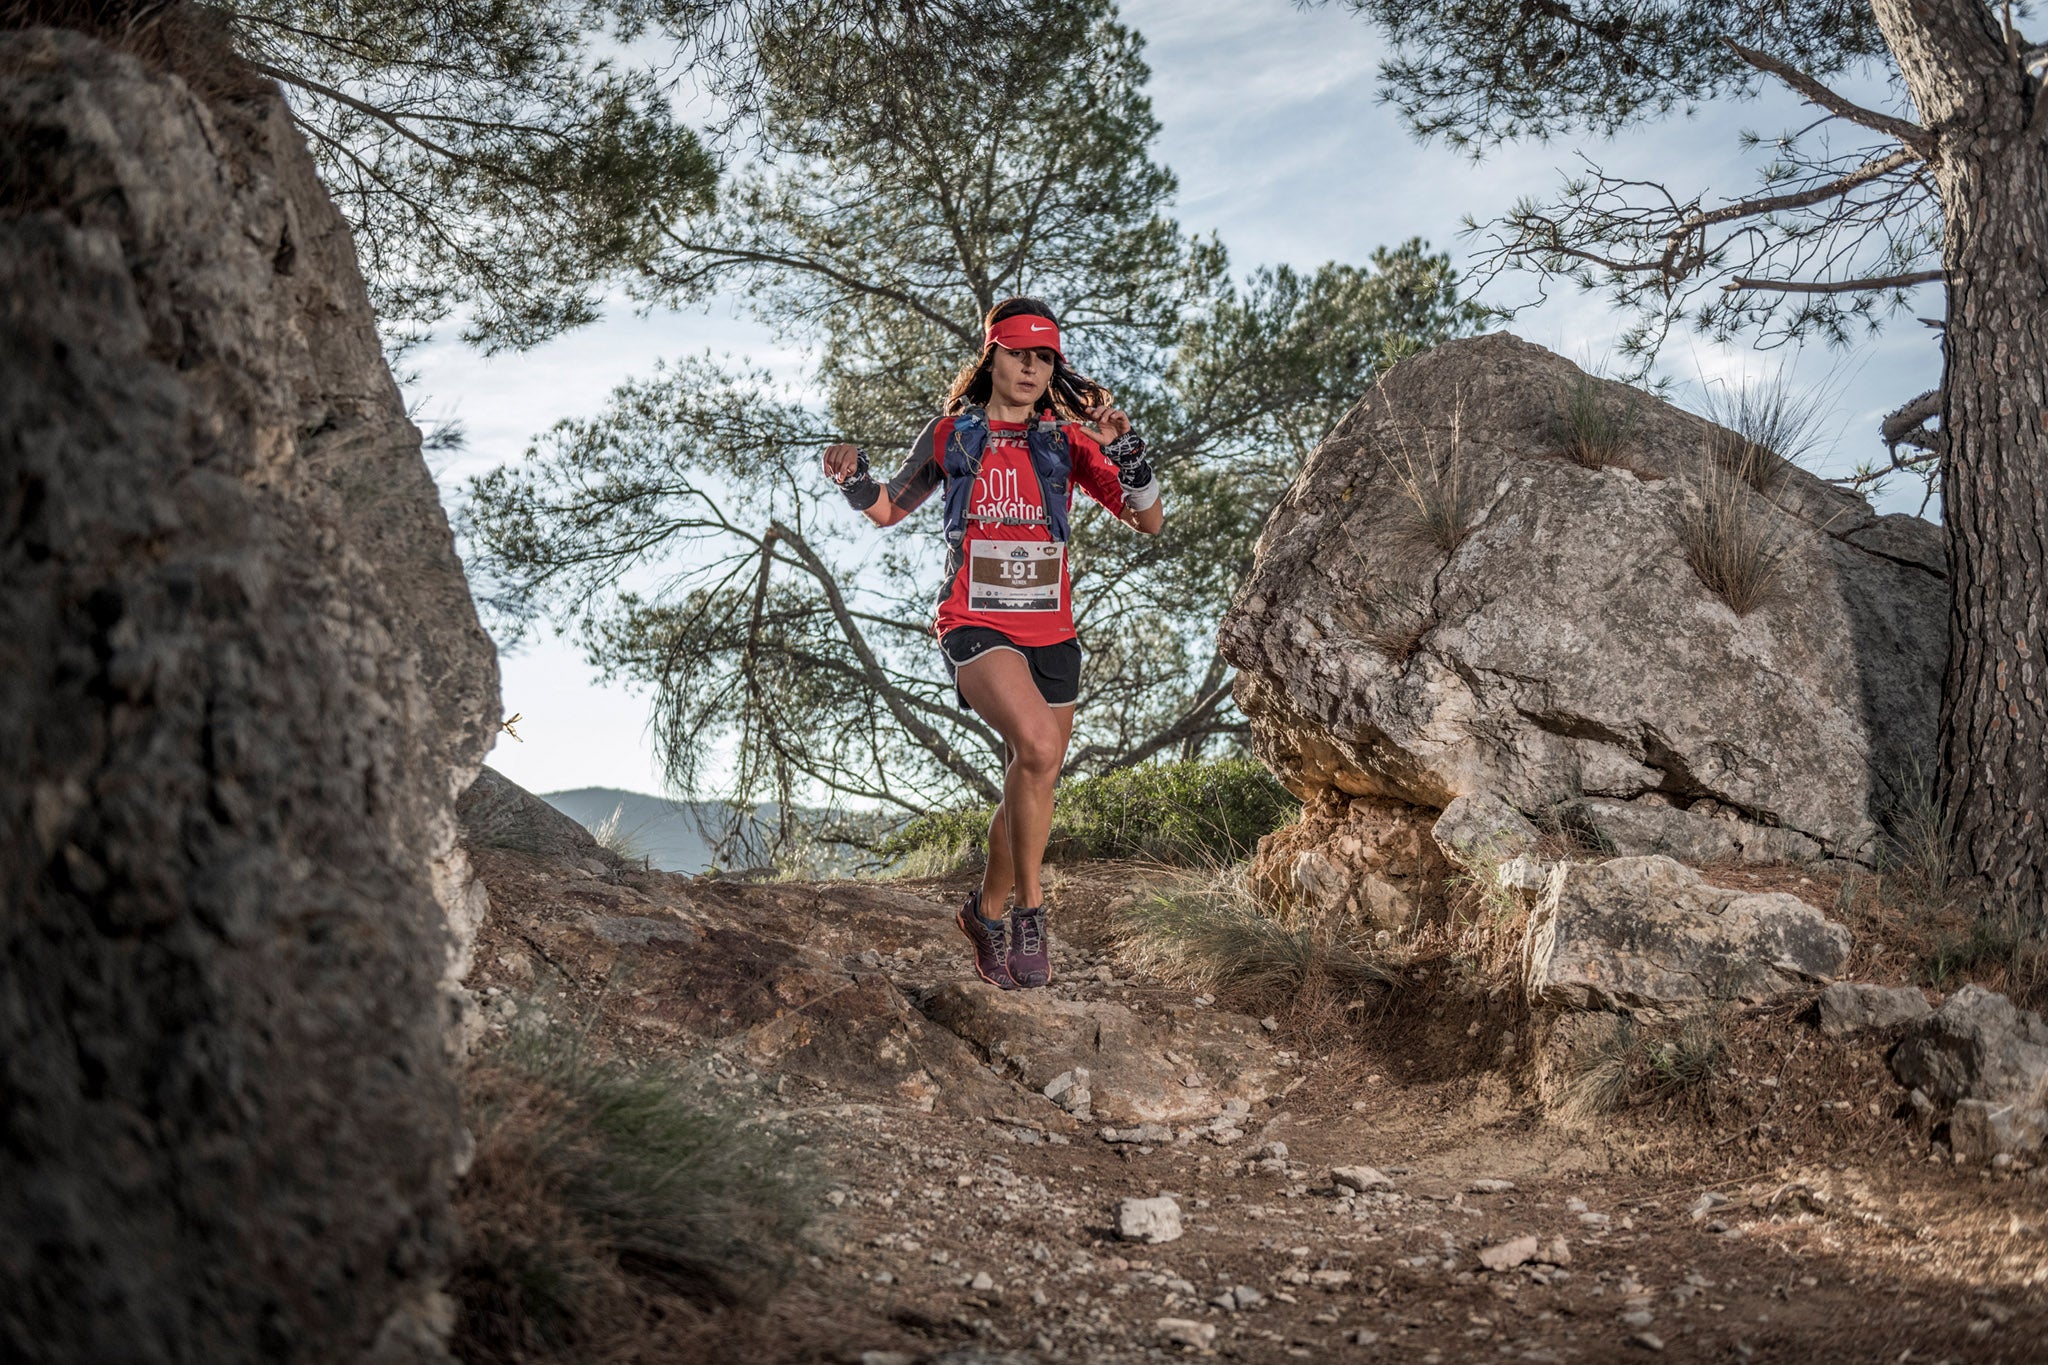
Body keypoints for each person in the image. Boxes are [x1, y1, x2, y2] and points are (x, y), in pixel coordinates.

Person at [822, 298, 1164, 989]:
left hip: (1053, 632)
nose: (1032, 368)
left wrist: (1126, 448)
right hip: (974, 622)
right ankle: (1031, 914)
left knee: (1030, 781)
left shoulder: (1067, 443)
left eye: (1044, 359)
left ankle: (983, 910)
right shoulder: (953, 436)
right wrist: (855, 476)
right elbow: (888, 507)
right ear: (993, 359)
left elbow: (1148, 519)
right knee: (1037, 746)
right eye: (1019, 354)